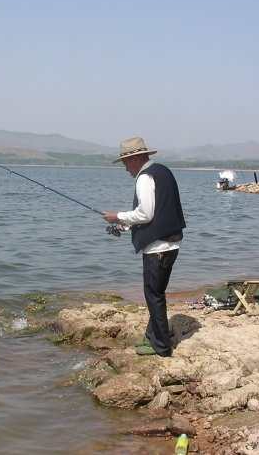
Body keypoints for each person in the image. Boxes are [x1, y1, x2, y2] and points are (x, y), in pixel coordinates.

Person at [103, 137, 186, 357]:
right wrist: (124, 225)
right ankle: (155, 335)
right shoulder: (163, 171)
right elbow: (158, 214)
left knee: (153, 295)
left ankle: (161, 348)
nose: (125, 168)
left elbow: (146, 213)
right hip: (171, 243)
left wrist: (116, 217)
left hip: (158, 248)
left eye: (126, 162)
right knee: (156, 293)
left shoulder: (144, 177)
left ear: (137, 158)